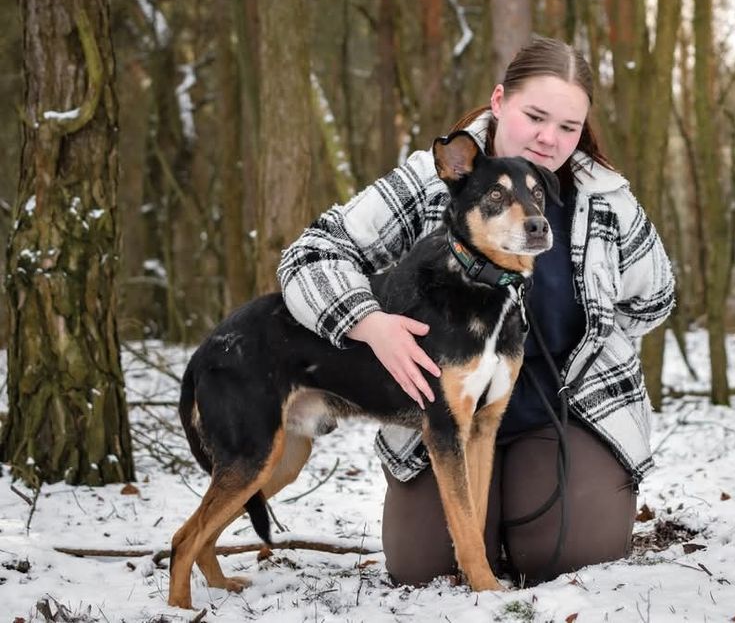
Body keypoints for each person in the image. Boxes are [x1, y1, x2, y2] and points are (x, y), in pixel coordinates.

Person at [278, 36, 675, 587]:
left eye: (569, 127)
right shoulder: (435, 178)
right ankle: (487, 524)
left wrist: (592, 354)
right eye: (535, 115)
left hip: (557, 410)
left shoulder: (604, 198)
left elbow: (656, 297)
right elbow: (311, 255)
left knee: (571, 559)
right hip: (440, 413)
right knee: (425, 570)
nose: (549, 138)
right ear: (498, 101)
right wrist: (368, 323)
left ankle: (540, 501)